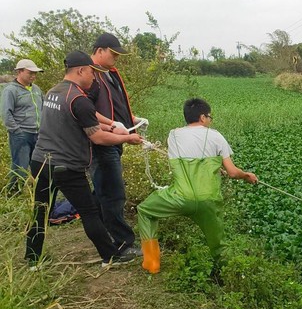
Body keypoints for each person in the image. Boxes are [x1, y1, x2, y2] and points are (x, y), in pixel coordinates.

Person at [26, 50, 142, 269]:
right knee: (89, 212)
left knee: (40, 209)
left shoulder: (54, 92)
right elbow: (97, 137)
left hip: (40, 161)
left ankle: (33, 258)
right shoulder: (79, 99)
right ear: (80, 70)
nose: (93, 77)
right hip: (66, 166)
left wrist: (114, 126)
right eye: (91, 72)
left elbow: (83, 120)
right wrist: (127, 138)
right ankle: (110, 256)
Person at [137, 98, 257, 275]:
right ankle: (227, 277)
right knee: (219, 246)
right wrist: (246, 175)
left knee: (145, 211)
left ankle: (152, 263)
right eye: (210, 117)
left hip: (179, 197)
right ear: (202, 117)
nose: (210, 120)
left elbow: (187, 156)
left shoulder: (173, 135)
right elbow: (232, 172)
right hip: (208, 202)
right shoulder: (216, 136)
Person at [89, 32, 148, 256]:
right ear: (100, 51)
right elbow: (86, 112)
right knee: (113, 193)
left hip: (114, 139)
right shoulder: (90, 74)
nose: (117, 58)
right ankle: (122, 243)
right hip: (101, 142)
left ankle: (96, 228)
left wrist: (131, 120)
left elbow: (114, 106)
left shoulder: (109, 74)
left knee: (101, 190)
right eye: (113, 53)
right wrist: (114, 127)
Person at [1, 59, 44, 192]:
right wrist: (17, 131)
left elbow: (43, 108)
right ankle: (13, 193)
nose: (33, 76)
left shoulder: (36, 89)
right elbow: (6, 114)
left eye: (35, 73)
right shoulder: (11, 90)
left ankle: (34, 191)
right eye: (30, 73)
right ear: (19, 72)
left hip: (37, 133)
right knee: (20, 166)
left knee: (38, 164)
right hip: (21, 134)